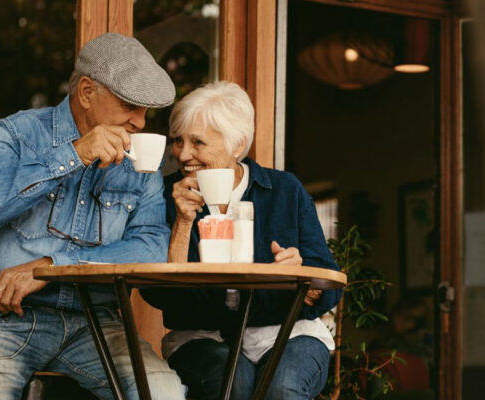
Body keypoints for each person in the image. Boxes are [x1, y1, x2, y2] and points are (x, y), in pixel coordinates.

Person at [0, 33, 186, 400]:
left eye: (145, 111)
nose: (140, 122)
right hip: (5, 319)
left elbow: (152, 248)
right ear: (87, 92)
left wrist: (53, 265)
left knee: (165, 393)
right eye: (130, 106)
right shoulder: (19, 133)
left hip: (97, 323)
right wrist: (72, 155)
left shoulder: (142, 161)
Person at [141, 81, 342, 399]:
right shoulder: (164, 195)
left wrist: (303, 278)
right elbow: (159, 295)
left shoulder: (284, 191)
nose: (183, 154)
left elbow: (326, 278)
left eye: (198, 142)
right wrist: (182, 222)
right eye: (177, 141)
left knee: (281, 389)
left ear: (238, 145)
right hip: (202, 337)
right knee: (232, 385)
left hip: (287, 334)